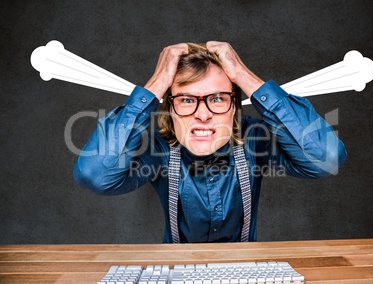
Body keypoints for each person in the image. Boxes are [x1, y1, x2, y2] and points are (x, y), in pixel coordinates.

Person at [74, 41, 347, 243]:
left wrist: (242, 74)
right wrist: (156, 84)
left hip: (246, 274)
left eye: (217, 99)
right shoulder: (156, 151)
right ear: (169, 107)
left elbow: (327, 158)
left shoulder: (255, 141)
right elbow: (95, 175)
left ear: (234, 107)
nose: (202, 114)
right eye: (186, 100)